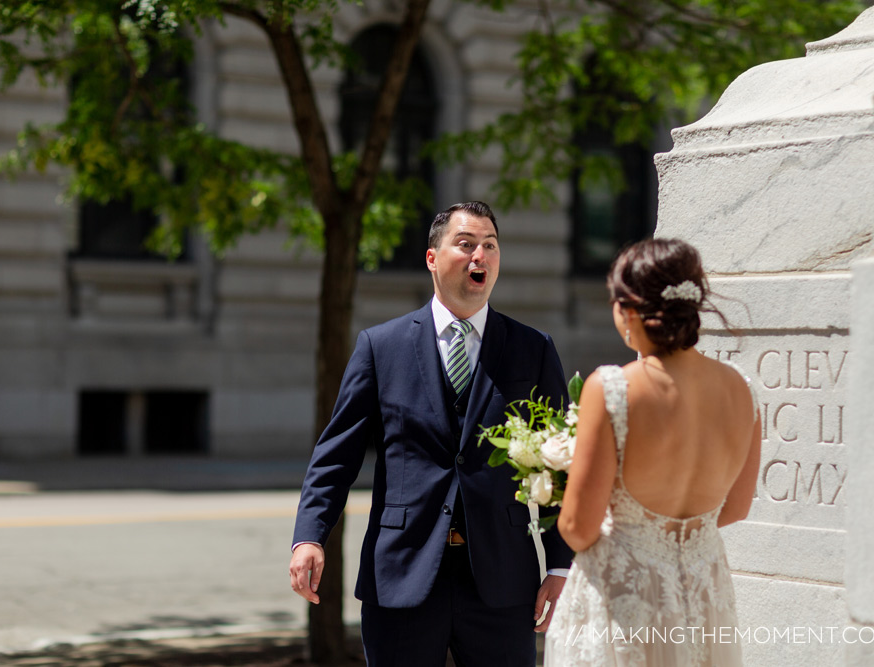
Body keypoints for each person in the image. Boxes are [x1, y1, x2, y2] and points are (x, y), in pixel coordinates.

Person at [290, 201, 573, 667]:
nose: (480, 255)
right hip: (401, 576)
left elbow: (561, 464)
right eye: (466, 245)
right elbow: (336, 455)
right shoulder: (381, 348)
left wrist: (562, 564)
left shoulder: (533, 349)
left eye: (490, 246)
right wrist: (309, 536)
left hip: (501, 580)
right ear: (432, 258)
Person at [545, 238, 761, 666]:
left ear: (629, 311)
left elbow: (577, 528)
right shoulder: (743, 389)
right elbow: (736, 508)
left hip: (627, 599)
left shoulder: (613, 389)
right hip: (704, 593)